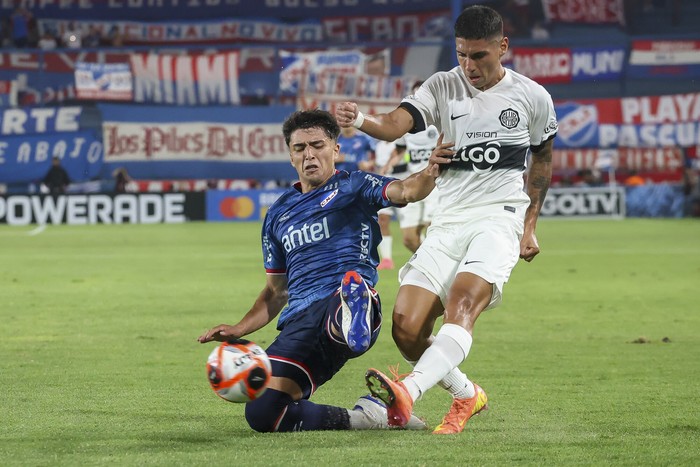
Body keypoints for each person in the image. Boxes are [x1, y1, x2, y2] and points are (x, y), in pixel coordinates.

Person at [335, 4, 557, 435]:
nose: (469, 66)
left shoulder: (532, 97)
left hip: (499, 217)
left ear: (503, 48)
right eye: (461, 55)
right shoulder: (441, 86)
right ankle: (467, 394)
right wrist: (360, 119)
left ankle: (410, 391)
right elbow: (394, 125)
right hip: (449, 219)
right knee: (407, 329)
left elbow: (542, 162)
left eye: (479, 56)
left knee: (462, 302)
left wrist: (529, 226)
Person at [197, 109, 442, 433]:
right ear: (290, 155)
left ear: (335, 150)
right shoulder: (278, 215)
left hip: (344, 297)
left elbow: (406, 191)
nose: (309, 154)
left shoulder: (354, 185)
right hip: (300, 320)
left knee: (343, 300)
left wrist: (433, 169)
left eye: (317, 145)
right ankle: (368, 417)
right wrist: (239, 328)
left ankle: (352, 310)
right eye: (300, 148)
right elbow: (276, 291)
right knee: (263, 413)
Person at [383, 81, 441, 254]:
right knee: (409, 239)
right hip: (413, 181)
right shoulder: (406, 126)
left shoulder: (441, 122)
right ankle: (432, 264)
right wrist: (388, 165)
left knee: (434, 229)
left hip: (437, 183)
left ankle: (441, 270)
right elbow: (400, 150)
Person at [374, 138, 406, 270]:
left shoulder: (400, 142)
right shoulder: (379, 145)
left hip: (403, 181)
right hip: (384, 185)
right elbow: (378, 165)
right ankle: (387, 259)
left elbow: (404, 158)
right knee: (382, 220)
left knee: (409, 224)